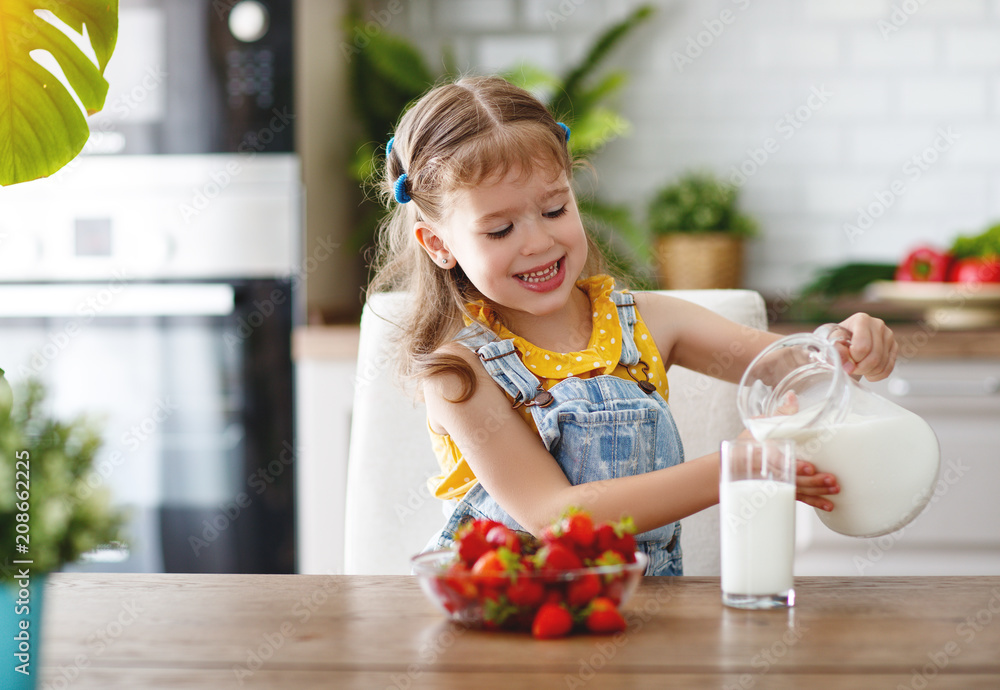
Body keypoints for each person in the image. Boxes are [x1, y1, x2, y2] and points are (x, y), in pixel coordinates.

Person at [368, 75, 898, 575]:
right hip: (516, 630)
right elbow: (555, 516)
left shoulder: (647, 321)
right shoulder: (459, 372)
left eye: (554, 210)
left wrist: (841, 345)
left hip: (647, 621)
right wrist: (736, 466)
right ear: (438, 245)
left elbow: (792, 368)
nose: (537, 242)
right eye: (501, 229)